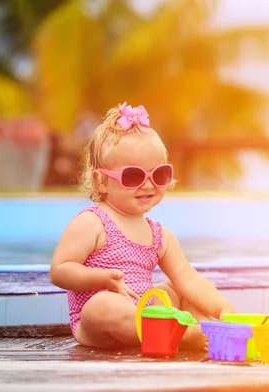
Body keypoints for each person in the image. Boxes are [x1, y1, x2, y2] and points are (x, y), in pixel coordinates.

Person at [49, 102, 235, 350]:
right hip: (101, 322)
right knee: (103, 305)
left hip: (145, 312)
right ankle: (183, 335)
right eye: (133, 176)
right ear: (102, 180)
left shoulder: (159, 236)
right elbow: (59, 270)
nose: (148, 185)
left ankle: (204, 327)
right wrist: (101, 279)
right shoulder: (92, 223)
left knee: (181, 290)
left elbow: (188, 279)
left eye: (158, 175)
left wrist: (222, 307)